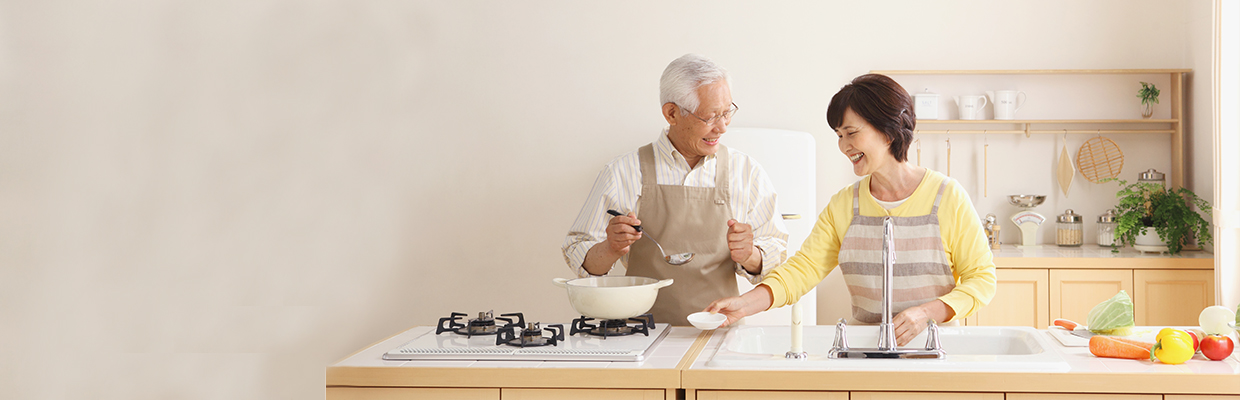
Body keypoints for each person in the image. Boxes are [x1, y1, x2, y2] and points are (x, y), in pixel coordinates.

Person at [704, 74, 997, 345]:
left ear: (888, 131)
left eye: (851, 133)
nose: (844, 146)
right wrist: (745, 304)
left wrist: (925, 313)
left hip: (935, 347)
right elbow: (801, 271)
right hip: (863, 349)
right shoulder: (845, 205)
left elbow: (981, 279)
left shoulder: (947, 197)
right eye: (839, 135)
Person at [562, 54, 789, 326]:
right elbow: (580, 260)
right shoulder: (622, 172)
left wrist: (750, 255)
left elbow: (776, 260)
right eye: (710, 116)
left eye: (727, 112)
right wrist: (610, 248)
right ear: (672, 113)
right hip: (642, 335)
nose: (723, 126)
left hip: (720, 332)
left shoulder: (747, 172)